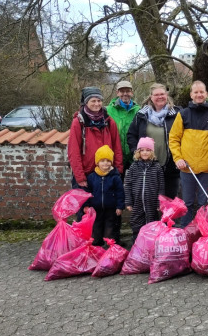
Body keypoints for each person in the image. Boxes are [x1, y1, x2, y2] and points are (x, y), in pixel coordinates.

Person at [169, 81, 208, 227]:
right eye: (196, 92)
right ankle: (185, 231)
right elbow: (173, 138)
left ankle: (202, 230)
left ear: (206, 94)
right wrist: (178, 158)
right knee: (188, 203)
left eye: (201, 92)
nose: (199, 95)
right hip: (187, 168)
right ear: (191, 94)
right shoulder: (183, 114)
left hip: (207, 168)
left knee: (204, 203)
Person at [67, 86, 123, 220]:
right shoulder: (79, 123)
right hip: (86, 174)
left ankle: (107, 238)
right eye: (93, 101)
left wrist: (118, 170)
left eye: (99, 101)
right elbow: (73, 152)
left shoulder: (109, 122)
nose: (97, 104)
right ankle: (85, 239)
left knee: (107, 210)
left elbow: (117, 147)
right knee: (85, 211)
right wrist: (80, 177)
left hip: (106, 172)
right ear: (86, 103)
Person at [127, 83, 182, 199]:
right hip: (147, 166)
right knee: (149, 201)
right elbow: (131, 135)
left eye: (162, 94)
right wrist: (136, 152)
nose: (159, 97)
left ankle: (168, 218)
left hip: (170, 167)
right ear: (151, 97)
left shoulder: (177, 114)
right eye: (156, 95)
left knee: (170, 201)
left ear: (166, 95)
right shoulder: (141, 115)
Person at [105, 80, 139, 243]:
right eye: (122, 91)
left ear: (132, 92)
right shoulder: (108, 110)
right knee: (114, 195)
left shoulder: (138, 110)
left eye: (128, 91)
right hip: (114, 159)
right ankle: (113, 236)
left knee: (137, 195)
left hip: (134, 158)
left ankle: (138, 233)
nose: (125, 94)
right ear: (117, 93)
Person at [124, 137, 165, 242]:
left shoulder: (157, 167)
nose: (145, 153)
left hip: (151, 203)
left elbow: (161, 187)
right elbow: (127, 185)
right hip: (137, 202)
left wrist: (159, 203)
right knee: (136, 224)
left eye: (148, 150)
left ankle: (150, 246)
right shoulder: (133, 167)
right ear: (138, 152)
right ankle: (136, 246)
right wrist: (128, 202)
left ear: (152, 152)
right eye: (142, 150)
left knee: (152, 224)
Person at [85, 145, 125, 246]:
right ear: (97, 162)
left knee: (110, 228)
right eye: (102, 160)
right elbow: (87, 192)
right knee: (96, 227)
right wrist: (86, 205)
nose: (105, 163)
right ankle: (97, 244)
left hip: (111, 209)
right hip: (96, 209)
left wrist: (120, 206)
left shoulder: (115, 177)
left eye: (108, 160)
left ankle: (110, 245)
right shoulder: (92, 177)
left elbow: (120, 192)